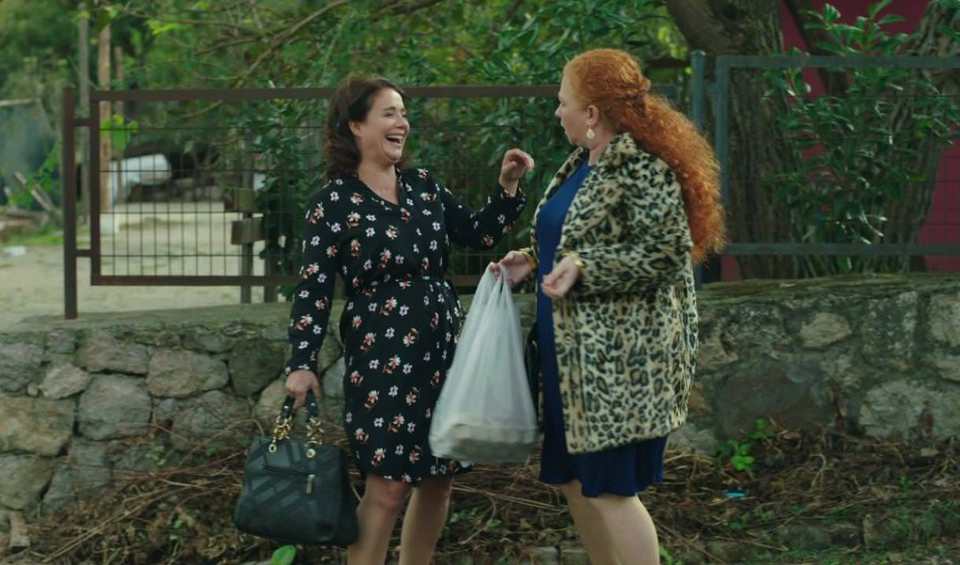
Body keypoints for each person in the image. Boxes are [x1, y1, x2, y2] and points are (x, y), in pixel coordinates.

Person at [282, 75, 532, 565]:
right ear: (356, 125)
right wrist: (301, 363)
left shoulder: (423, 187)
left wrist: (507, 187)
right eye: (389, 113)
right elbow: (313, 289)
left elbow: (478, 234)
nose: (403, 123)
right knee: (388, 486)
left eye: (404, 113)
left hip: (441, 352)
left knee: (439, 479)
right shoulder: (333, 203)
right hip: (382, 358)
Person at [493, 49, 726, 565]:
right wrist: (533, 259)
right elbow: (575, 240)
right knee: (576, 484)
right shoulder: (582, 164)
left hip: (617, 367)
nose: (558, 112)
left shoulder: (642, 168)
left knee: (612, 491)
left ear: (592, 113)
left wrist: (586, 268)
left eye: (564, 102)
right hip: (567, 360)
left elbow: (666, 253)